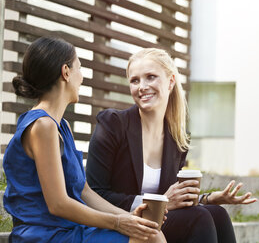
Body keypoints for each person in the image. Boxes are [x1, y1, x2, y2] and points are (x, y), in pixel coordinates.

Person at [3, 37, 166, 243]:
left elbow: (84, 192)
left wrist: (128, 217)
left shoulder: (61, 126)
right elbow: (58, 204)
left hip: (69, 230)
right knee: (150, 238)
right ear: (66, 72)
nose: (82, 78)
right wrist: (117, 223)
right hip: (45, 236)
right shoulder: (42, 126)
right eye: (79, 68)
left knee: (149, 232)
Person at [86, 48, 257, 243]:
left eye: (150, 77)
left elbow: (171, 199)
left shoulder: (177, 139)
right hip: (118, 222)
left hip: (156, 223)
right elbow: (94, 194)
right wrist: (160, 203)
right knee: (198, 218)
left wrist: (206, 199)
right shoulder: (112, 124)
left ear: (171, 81)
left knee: (217, 213)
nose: (142, 86)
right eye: (135, 80)